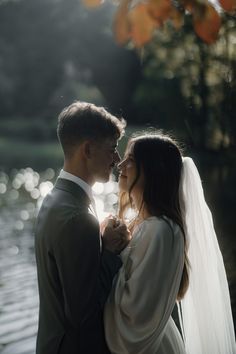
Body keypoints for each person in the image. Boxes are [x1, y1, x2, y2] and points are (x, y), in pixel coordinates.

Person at [104, 132, 236, 354]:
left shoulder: (159, 230)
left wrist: (107, 254)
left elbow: (135, 313)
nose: (121, 164)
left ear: (153, 172)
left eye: (132, 160)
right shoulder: (145, 226)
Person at [34, 101, 130, 354]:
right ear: (87, 150)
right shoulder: (77, 216)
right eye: (112, 149)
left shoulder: (54, 198)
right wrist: (109, 252)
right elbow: (84, 316)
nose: (118, 159)